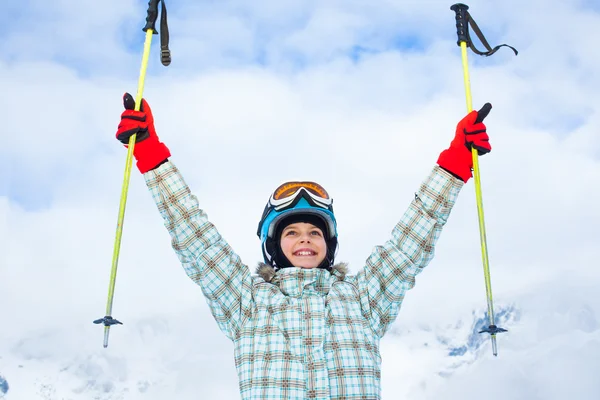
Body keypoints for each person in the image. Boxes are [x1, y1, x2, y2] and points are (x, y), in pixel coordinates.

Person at [115, 92, 492, 399]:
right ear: (274, 245)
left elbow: (410, 244)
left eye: (314, 233)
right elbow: (196, 237)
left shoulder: (362, 299)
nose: (305, 240)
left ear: (329, 244)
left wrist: (454, 165)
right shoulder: (246, 301)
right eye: (291, 232)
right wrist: (151, 154)